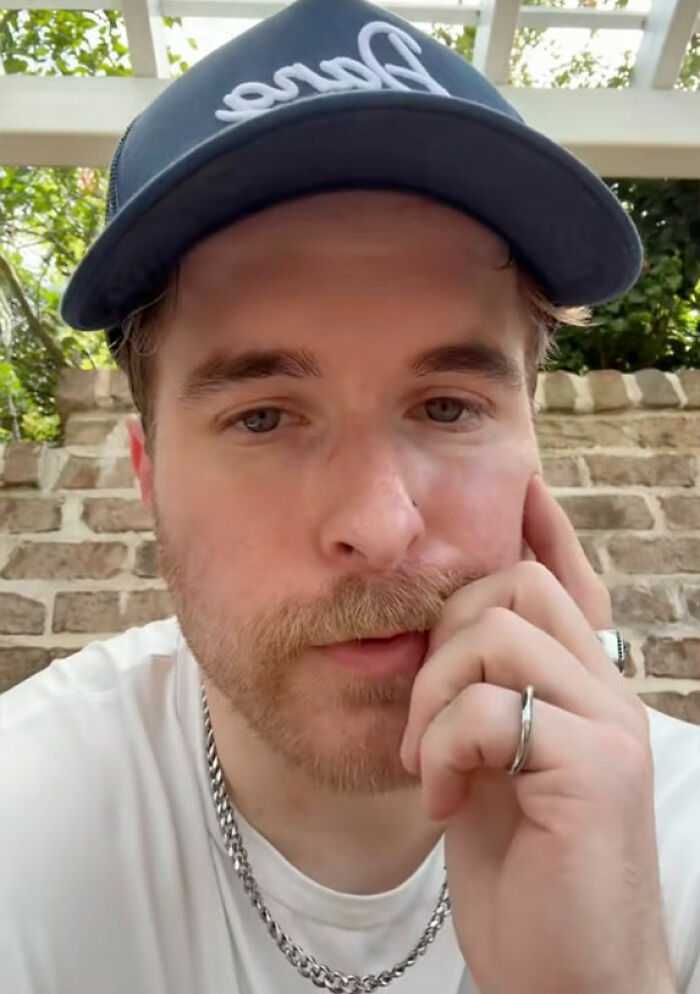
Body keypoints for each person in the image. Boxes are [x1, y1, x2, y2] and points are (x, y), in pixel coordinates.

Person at [1, 0, 699, 992]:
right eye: (263, 417)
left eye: (447, 406)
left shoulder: (674, 835)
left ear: (532, 445)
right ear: (148, 479)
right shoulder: (23, 823)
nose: (378, 526)